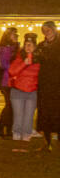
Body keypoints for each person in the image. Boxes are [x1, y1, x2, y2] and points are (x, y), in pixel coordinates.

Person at [8, 33, 39, 142]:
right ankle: (16, 133)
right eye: (26, 44)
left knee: (29, 115)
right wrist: (24, 64)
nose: (28, 47)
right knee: (18, 114)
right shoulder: (19, 58)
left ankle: (26, 133)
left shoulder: (39, 60)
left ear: (35, 46)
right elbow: (12, 71)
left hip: (32, 91)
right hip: (18, 90)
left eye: (30, 45)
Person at [36, 21, 60, 151]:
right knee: (44, 113)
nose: (46, 32)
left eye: (48, 30)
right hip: (44, 84)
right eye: (44, 30)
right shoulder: (41, 45)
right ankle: (46, 141)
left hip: (57, 84)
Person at [0, 27, 19, 139]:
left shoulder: (16, 48)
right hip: (6, 80)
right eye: (13, 34)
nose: (16, 36)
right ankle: (1, 127)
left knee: (13, 106)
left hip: (15, 80)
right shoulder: (3, 48)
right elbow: (4, 65)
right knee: (10, 105)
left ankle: (8, 129)